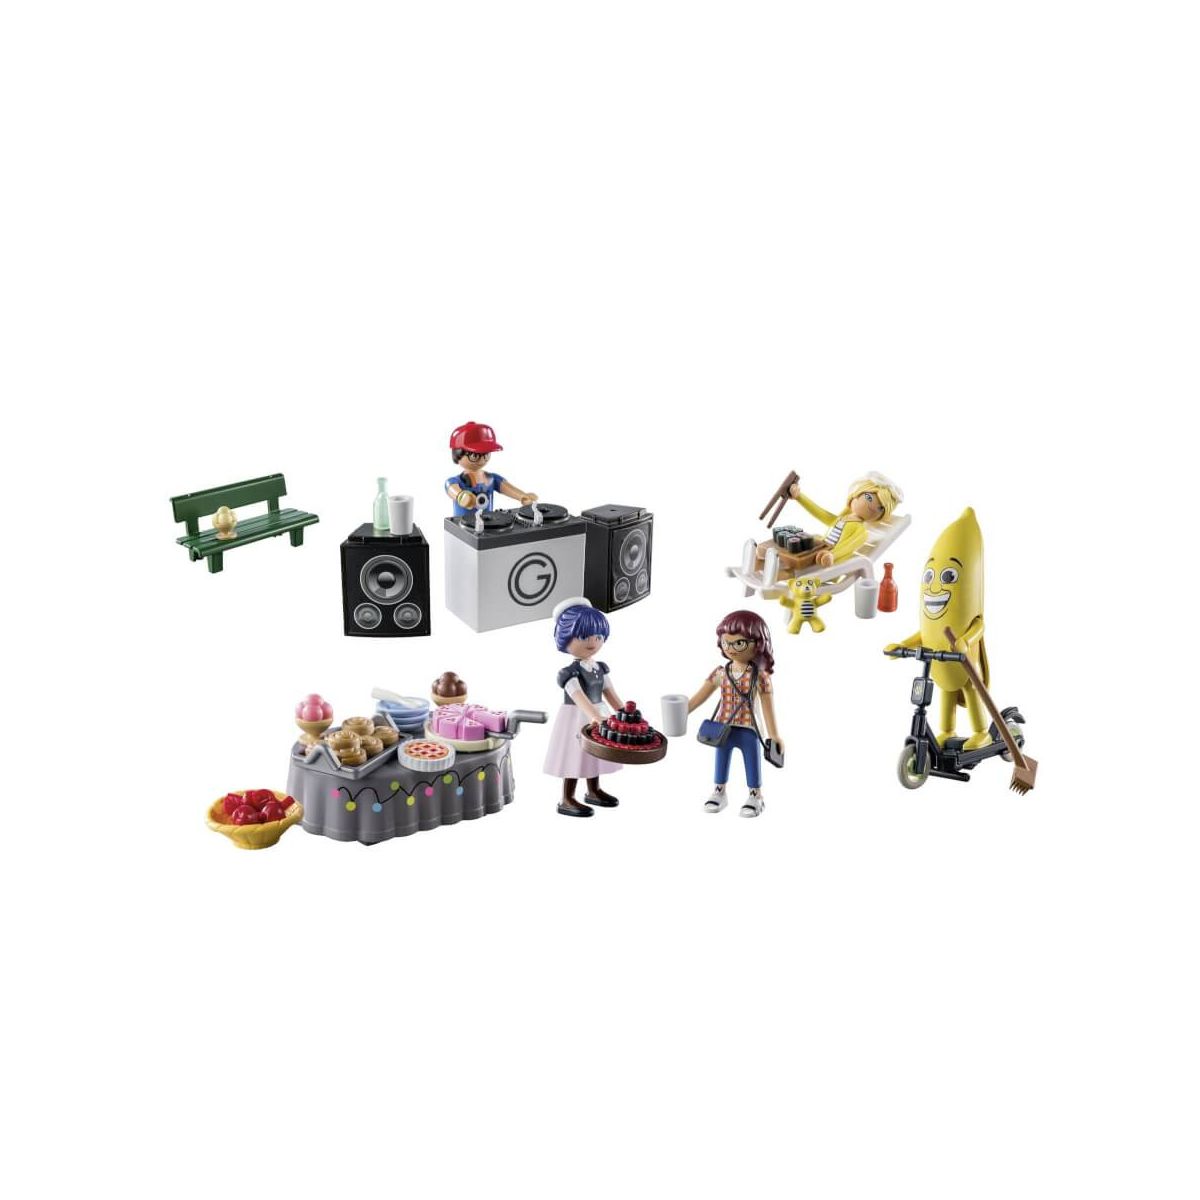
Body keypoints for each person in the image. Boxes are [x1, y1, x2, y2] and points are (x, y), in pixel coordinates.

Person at [686, 610, 782, 818]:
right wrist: (683, 711)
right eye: (726, 642)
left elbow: (768, 707)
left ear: (758, 644)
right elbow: (700, 696)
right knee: (721, 759)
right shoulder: (721, 673)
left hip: (749, 728)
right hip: (723, 727)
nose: (730, 648)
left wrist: (774, 735)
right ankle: (719, 791)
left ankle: (756, 795)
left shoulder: (760, 677)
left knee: (752, 760)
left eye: (739, 643)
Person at [542, 598, 623, 818]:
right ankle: (567, 798)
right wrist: (595, 716)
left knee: (594, 755)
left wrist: (624, 712)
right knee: (574, 756)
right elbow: (578, 697)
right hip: (576, 718)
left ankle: (593, 790)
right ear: (566, 637)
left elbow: (610, 692)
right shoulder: (569, 673)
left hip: (599, 714)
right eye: (585, 636)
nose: (593, 642)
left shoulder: (600, 668)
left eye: (598, 637)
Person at [756, 471, 903, 575]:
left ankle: (770, 573)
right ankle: (760, 564)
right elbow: (820, 513)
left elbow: (847, 548)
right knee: (788, 550)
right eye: (869, 498)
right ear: (855, 495)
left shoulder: (861, 532)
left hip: (826, 562)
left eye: (880, 508)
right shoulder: (842, 519)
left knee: (790, 565)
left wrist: (831, 555)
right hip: (818, 550)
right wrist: (799, 497)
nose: (872, 507)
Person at [444, 421, 538, 517]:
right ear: (457, 454)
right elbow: (451, 488)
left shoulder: (491, 478)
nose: (481, 460)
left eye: (486, 455)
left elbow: (507, 487)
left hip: (488, 522)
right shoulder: (456, 481)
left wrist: (522, 496)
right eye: (474, 456)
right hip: (462, 523)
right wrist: (461, 496)